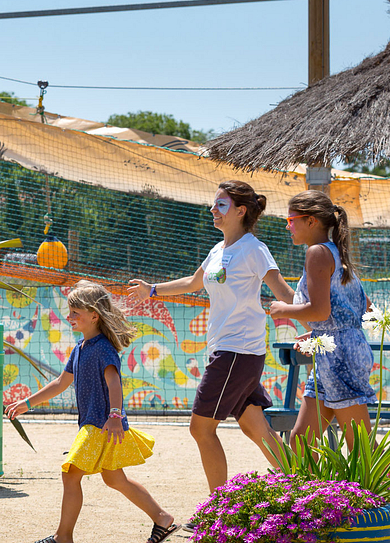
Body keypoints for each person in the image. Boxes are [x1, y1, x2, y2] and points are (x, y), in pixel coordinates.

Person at [269, 190, 390, 543]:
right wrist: (317, 335)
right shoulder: (336, 254)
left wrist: (284, 311)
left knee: (364, 447)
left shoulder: (316, 253)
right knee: (300, 441)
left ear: (311, 221)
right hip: (335, 352)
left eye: (291, 220)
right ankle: (307, 518)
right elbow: (360, 307)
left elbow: (319, 311)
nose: (288, 227)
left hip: (338, 356)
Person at [128, 181, 295, 506]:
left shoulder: (253, 249)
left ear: (240, 210)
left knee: (201, 429)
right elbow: (193, 282)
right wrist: (152, 289)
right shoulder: (219, 250)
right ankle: (303, 485)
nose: (212, 209)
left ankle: (220, 508)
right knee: (254, 427)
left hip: (238, 351)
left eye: (220, 204)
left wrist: (317, 315)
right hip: (226, 352)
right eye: (213, 204)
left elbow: (284, 292)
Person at [6, 280, 178, 543]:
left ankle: (63, 537)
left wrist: (115, 416)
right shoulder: (80, 347)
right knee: (115, 479)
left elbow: (114, 383)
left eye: (75, 312)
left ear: (94, 316)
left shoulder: (103, 349)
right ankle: (162, 518)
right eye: (70, 311)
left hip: (101, 424)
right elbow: (60, 383)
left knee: (71, 473)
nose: (69, 317)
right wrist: (27, 403)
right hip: (97, 424)